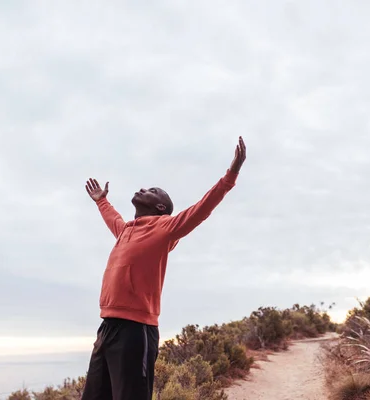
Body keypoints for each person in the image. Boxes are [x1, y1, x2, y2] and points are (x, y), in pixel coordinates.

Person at [81, 137, 247, 400]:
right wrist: (101, 200)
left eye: (152, 190)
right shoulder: (125, 231)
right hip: (107, 327)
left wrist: (231, 174)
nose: (143, 188)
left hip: (136, 330)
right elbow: (113, 218)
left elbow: (201, 210)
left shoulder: (165, 228)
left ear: (160, 207)